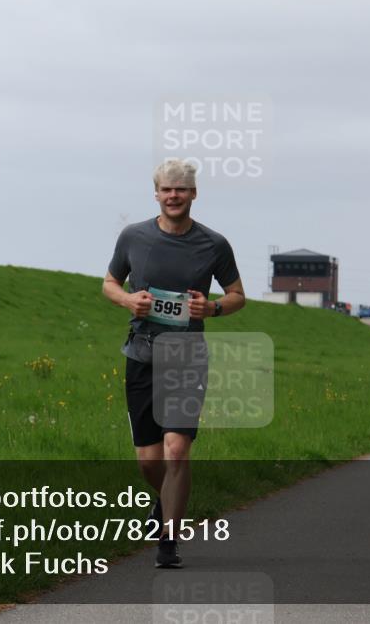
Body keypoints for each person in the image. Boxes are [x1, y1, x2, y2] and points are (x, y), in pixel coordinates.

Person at [102, 159, 246, 567]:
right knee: (150, 460)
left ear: (194, 194)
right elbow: (109, 283)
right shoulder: (134, 236)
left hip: (187, 356)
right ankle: (161, 501)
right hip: (142, 353)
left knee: (177, 449)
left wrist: (213, 308)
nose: (174, 196)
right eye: (167, 189)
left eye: (181, 189)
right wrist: (129, 300)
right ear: (156, 193)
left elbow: (238, 295)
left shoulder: (213, 244)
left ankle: (168, 539)